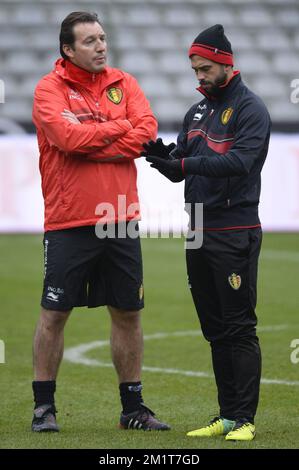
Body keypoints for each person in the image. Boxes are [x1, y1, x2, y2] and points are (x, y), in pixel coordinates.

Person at [31, 11, 170, 433]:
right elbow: (65, 139)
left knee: (128, 312)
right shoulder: (48, 89)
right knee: (55, 314)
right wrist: (117, 131)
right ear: (68, 49)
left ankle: (133, 409)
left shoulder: (124, 83)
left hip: (120, 218)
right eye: (89, 41)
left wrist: (98, 135)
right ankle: (43, 409)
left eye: (103, 38)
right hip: (69, 220)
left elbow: (145, 134)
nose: (100, 47)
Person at [143, 24, 271, 441]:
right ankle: (228, 416)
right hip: (198, 229)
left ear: (225, 63)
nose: (198, 76)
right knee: (215, 329)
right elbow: (184, 163)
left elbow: (240, 163)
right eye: (194, 69)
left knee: (238, 326)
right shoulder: (196, 112)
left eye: (204, 68)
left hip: (234, 230)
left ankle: (246, 419)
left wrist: (184, 165)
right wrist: (164, 158)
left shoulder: (251, 109)